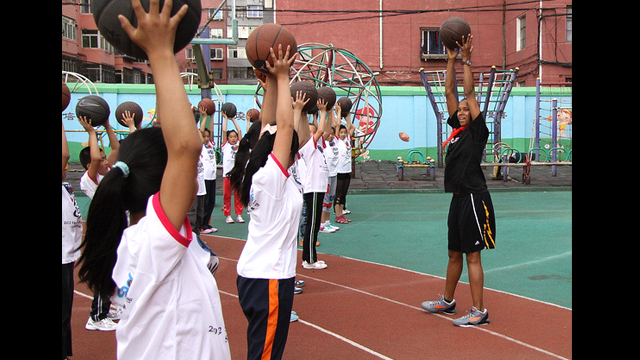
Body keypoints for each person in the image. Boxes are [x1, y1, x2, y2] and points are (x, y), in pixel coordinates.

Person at [76, 1, 231, 359]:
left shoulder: (138, 240)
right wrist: (161, 52)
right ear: (165, 182)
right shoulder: (153, 240)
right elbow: (184, 146)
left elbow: (172, 137)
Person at [420, 34, 495, 327]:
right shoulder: (458, 131)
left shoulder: (477, 133)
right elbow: (450, 91)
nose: (461, 111)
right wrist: (448, 59)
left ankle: (479, 311)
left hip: (476, 198)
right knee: (454, 253)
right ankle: (448, 301)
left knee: (473, 257)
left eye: (466, 110)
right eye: (459, 110)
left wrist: (465, 59)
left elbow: (467, 92)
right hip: (458, 199)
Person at [232, 44, 301, 360]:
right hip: (268, 278)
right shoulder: (270, 178)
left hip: (257, 275)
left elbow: (270, 125)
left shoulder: (255, 170)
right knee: (264, 356)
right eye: (292, 149)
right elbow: (282, 126)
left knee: (261, 350)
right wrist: (284, 76)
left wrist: (271, 84)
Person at [77, 115, 120, 331]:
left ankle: (106, 306)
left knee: (114, 269)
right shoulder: (89, 179)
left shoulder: (108, 174)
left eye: (104, 158)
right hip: (102, 231)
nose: (105, 160)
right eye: (102, 158)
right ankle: (96, 316)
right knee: (104, 271)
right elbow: (95, 160)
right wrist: (91, 133)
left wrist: (107, 125)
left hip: (114, 227)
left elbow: (116, 148)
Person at [62, 120, 82, 360]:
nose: (66, 166)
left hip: (67, 256)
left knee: (65, 312)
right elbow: (65, 153)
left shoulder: (66, 187)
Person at [221, 111, 245, 224]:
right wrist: (226, 119)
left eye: (235, 137)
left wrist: (233, 119)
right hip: (227, 175)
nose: (233, 138)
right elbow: (224, 131)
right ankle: (227, 215)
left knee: (238, 195)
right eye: (231, 137)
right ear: (228, 138)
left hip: (237, 174)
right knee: (226, 195)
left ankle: (239, 215)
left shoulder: (238, 145)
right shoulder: (225, 146)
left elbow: (240, 131)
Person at [333, 105, 355, 224]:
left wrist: (348, 115)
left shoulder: (347, 140)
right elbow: (336, 126)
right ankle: (337, 216)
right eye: (341, 132)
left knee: (344, 193)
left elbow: (350, 126)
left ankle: (341, 214)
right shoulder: (336, 141)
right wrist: (339, 111)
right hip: (339, 171)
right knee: (339, 194)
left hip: (347, 170)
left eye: (344, 132)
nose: (342, 134)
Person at [199, 110, 218, 234]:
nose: (206, 138)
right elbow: (201, 132)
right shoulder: (200, 145)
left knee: (211, 202)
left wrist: (212, 117)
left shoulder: (210, 145)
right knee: (205, 203)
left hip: (212, 177)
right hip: (204, 178)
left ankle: (207, 223)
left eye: (207, 136)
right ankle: (201, 225)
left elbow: (211, 131)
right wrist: (205, 117)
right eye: (204, 137)